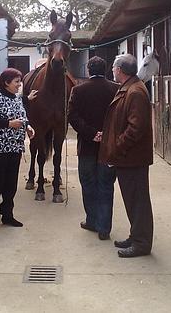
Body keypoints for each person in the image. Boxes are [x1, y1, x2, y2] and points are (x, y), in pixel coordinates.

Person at [99, 54, 154, 258]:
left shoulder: (135, 91)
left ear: (120, 70)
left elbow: (135, 128)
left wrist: (117, 146)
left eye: (114, 67)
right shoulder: (129, 87)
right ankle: (136, 235)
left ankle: (141, 243)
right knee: (133, 200)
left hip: (132, 158)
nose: (112, 71)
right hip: (128, 157)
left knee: (138, 200)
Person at [67, 56, 118, 241]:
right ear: (105, 70)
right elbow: (119, 116)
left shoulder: (78, 90)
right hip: (109, 147)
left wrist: (91, 133)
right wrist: (105, 133)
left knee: (88, 184)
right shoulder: (116, 89)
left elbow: (72, 116)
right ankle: (104, 228)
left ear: (89, 70)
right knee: (106, 186)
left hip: (87, 146)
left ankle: (92, 220)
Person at [0, 68, 35, 232]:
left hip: (15, 148)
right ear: (6, 83)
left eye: (20, 81)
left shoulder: (18, 99)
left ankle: (7, 215)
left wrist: (28, 127)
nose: (19, 85)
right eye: (17, 82)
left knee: (10, 185)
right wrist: (8, 124)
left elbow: (23, 117)